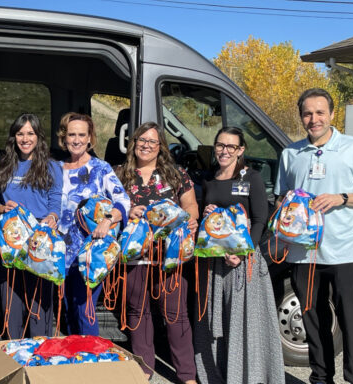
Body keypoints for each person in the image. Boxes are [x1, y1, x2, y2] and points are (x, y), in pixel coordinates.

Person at [275, 88, 353, 384]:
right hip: (303, 254)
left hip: (343, 251)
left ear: (332, 114)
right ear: (301, 117)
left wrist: (342, 198)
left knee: (351, 320)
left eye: (320, 112)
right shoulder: (290, 154)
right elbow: (281, 197)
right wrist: (285, 211)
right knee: (313, 320)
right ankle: (321, 378)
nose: (314, 119)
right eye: (308, 113)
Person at [193, 127, 284, 383]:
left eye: (230, 146)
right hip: (213, 263)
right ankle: (218, 374)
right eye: (220, 145)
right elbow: (209, 223)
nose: (224, 151)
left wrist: (242, 254)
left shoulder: (251, 178)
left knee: (244, 325)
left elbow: (259, 220)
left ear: (240, 150)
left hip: (241, 263)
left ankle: (248, 376)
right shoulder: (209, 179)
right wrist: (208, 211)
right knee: (216, 324)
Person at [115, 121, 197, 384]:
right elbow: (109, 209)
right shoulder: (120, 175)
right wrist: (128, 212)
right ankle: (144, 370)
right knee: (138, 313)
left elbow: (192, 206)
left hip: (169, 256)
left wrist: (188, 220)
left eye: (152, 141)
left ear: (160, 146)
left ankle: (187, 375)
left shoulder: (176, 174)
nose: (146, 146)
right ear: (133, 143)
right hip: (136, 257)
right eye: (141, 140)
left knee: (176, 315)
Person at [0, 113, 63, 339]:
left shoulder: (51, 167)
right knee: (11, 305)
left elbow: (56, 201)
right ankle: (14, 361)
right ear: (13, 137)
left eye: (30, 133)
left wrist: (52, 216)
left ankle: (38, 362)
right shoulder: (1, 165)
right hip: (10, 242)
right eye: (20, 133)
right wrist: (1, 208)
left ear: (38, 137)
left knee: (38, 308)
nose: (25, 138)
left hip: (39, 243)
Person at [57, 112, 130, 336]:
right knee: (66, 313)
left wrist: (108, 220)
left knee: (84, 312)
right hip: (60, 253)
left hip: (90, 253)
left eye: (82, 134)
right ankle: (73, 364)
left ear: (90, 138)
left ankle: (92, 364)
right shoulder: (55, 168)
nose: (76, 140)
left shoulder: (101, 169)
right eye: (71, 134)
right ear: (64, 137)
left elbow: (123, 201)